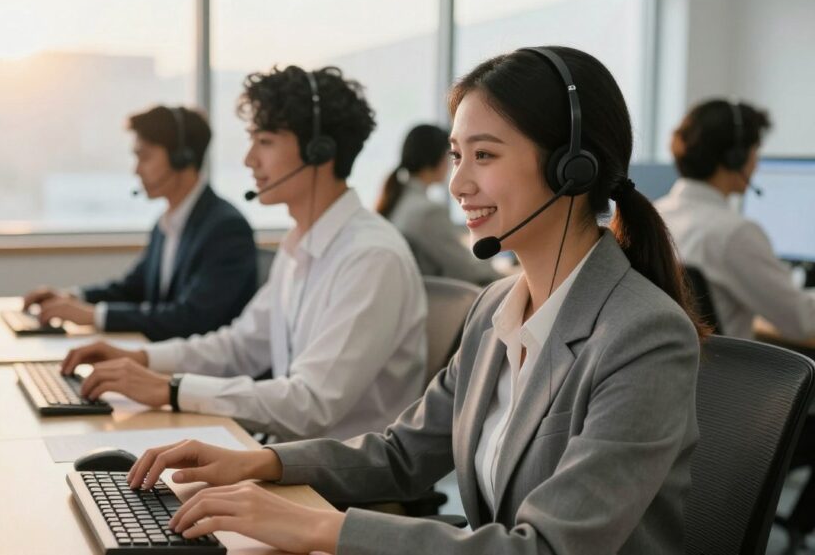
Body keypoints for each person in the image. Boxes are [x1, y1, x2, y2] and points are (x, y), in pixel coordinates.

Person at [124, 46, 709, 554]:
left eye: (484, 155)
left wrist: (316, 528)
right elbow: (403, 454)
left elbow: (550, 548)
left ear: (571, 168)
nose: (458, 184)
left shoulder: (643, 335)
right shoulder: (496, 307)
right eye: (457, 156)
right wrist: (265, 463)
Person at [62, 66, 427, 442]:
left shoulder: (371, 258)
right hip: (287, 455)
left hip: (335, 482)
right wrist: (142, 361)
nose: (249, 159)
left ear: (321, 151)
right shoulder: (300, 245)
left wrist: (171, 390)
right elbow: (239, 347)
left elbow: (311, 403)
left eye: (265, 141)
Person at [22, 105, 257, 341]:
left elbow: (190, 317)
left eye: (144, 157)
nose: (136, 170)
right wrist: (71, 297)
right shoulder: (166, 224)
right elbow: (132, 289)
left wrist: (94, 316)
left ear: (181, 157)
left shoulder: (225, 229)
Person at [656, 98, 815, 341]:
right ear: (735, 157)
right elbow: (803, 321)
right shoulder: (734, 234)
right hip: (727, 377)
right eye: (755, 150)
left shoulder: (654, 215)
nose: (756, 161)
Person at [376, 123, 500, 285]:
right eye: (454, 156)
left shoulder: (398, 199)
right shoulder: (427, 211)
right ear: (438, 159)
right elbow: (467, 271)